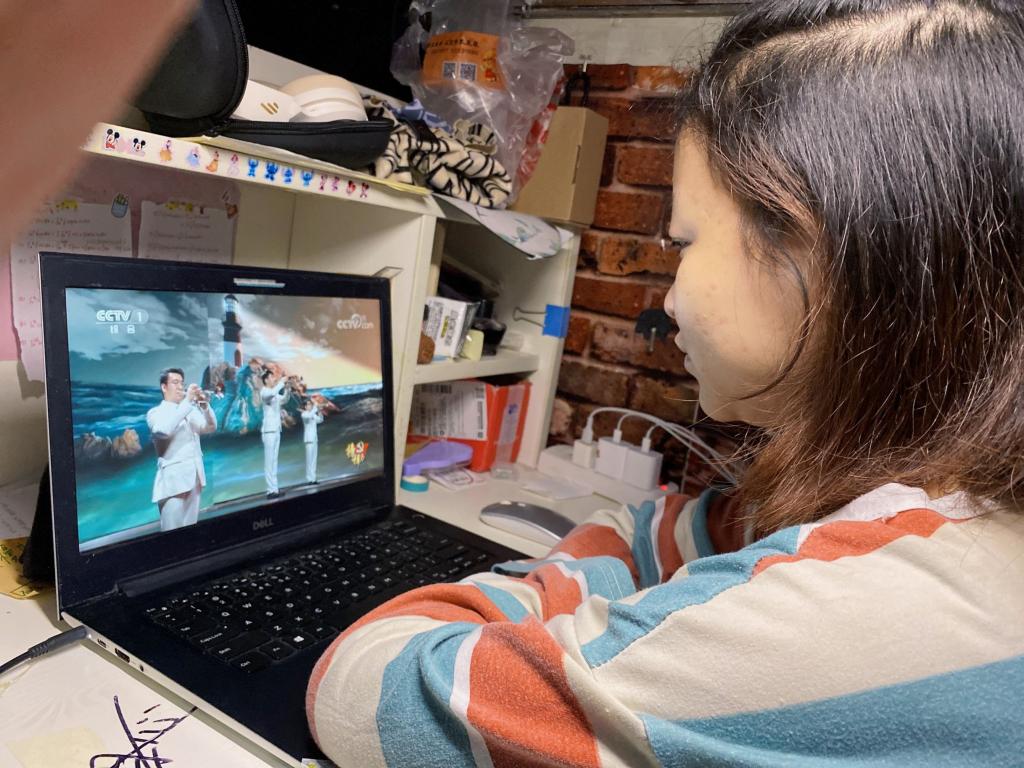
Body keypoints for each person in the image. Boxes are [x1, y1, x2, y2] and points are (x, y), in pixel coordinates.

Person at [306, 1, 1024, 765]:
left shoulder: (853, 617)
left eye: (684, 242)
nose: (670, 299)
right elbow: (686, 526)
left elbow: (361, 695)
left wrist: (547, 594)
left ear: (814, 251)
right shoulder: (950, 509)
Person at [146, 368, 216, 532]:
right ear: (164, 387)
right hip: (173, 483)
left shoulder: (189, 411)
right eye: (175, 383)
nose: (180, 387)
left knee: (190, 532)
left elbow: (210, 427)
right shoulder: (155, 412)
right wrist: (188, 401)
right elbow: (163, 430)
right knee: (172, 534)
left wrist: (204, 406)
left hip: (195, 479)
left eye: (182, 383)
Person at [260, 369, 287, 498]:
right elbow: (271, 393)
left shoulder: (274, 394)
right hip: (269, 431)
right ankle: (270, 490)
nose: (274, 379)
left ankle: (275, 489)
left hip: (276, 430)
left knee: (274, 461)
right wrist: (281, 382)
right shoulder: (265, 392)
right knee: (269, 462)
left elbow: (284, 400)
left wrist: (287, 389)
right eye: (272, 377)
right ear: (266, 380)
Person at [300, 398, 324, 484]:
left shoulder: (312, 414)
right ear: (305, 406)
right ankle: (309, 479)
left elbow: (320, 420)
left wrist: (320, 411)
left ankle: (313, 478)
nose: (311, 405)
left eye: (311, 404)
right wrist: (315, 408)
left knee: (314, 460)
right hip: (309, 440)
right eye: (309, 404)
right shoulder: (304, 414)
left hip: (314, 439)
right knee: (309, 460)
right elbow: (309, 416)